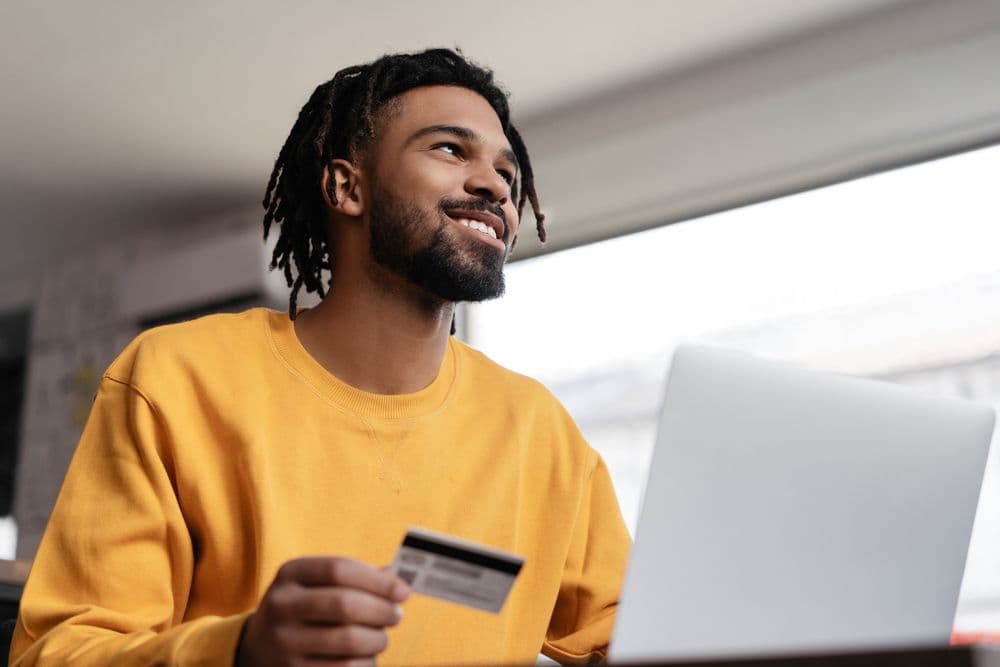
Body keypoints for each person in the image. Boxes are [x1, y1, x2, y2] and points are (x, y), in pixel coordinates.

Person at [10, 49, 631, 666]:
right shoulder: (175, 379)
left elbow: (630, 633)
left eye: (508, 172)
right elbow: (59, 652)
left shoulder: (541, 431)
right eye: (449, 149)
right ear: (346, 185)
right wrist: (241, 651)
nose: (495, 184)